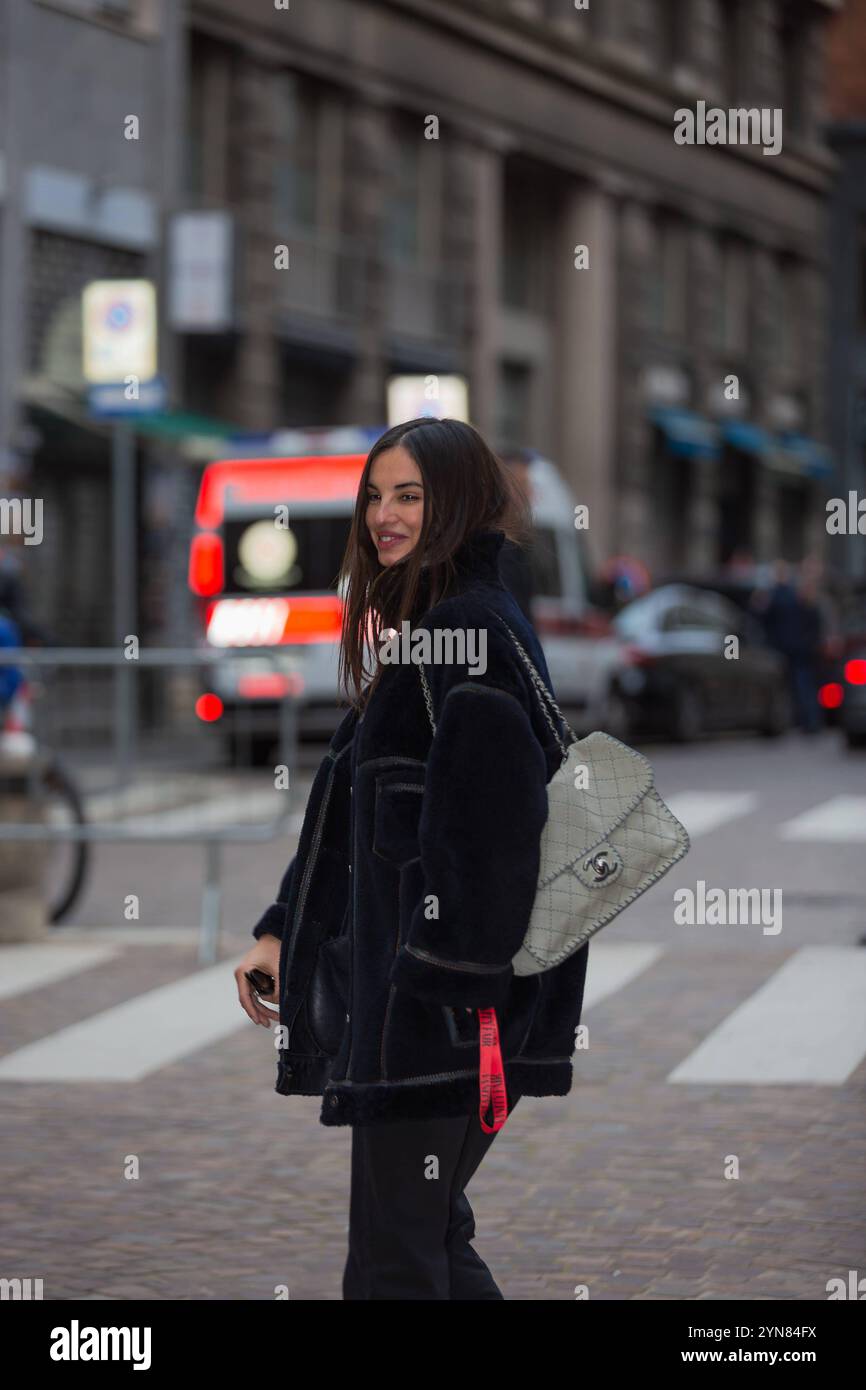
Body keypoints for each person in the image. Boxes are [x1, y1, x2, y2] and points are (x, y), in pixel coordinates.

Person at [235, 418, 590, 1300]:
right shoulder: (438, 624)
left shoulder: (464, 629)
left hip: (438, 1016)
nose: (383, 515)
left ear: (459, 502)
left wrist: (444, 987)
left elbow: (499, 828)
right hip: (424, 1013)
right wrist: (284, 929)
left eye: (410, 495)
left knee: (396, 1262)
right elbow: (360, 815)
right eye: (374, 494)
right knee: (424, 1243)